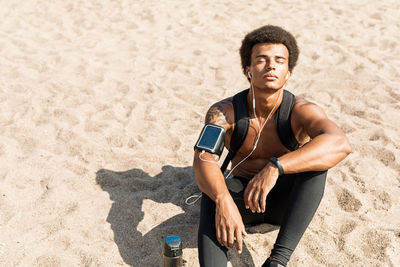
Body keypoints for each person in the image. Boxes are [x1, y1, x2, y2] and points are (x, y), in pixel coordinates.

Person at [192, 25, 351, 267]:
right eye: (261, 60)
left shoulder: (300, 110)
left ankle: (277, 260)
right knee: (211, 193)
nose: (271, 66)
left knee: (317, 165)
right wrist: (223, 200)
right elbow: (202, 158)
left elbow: (340, 143)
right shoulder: (224, 112)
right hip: (240, 199)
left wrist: (275, 167)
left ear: (288, 72)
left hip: (284, 203)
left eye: (279, 61)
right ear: (248, 70)